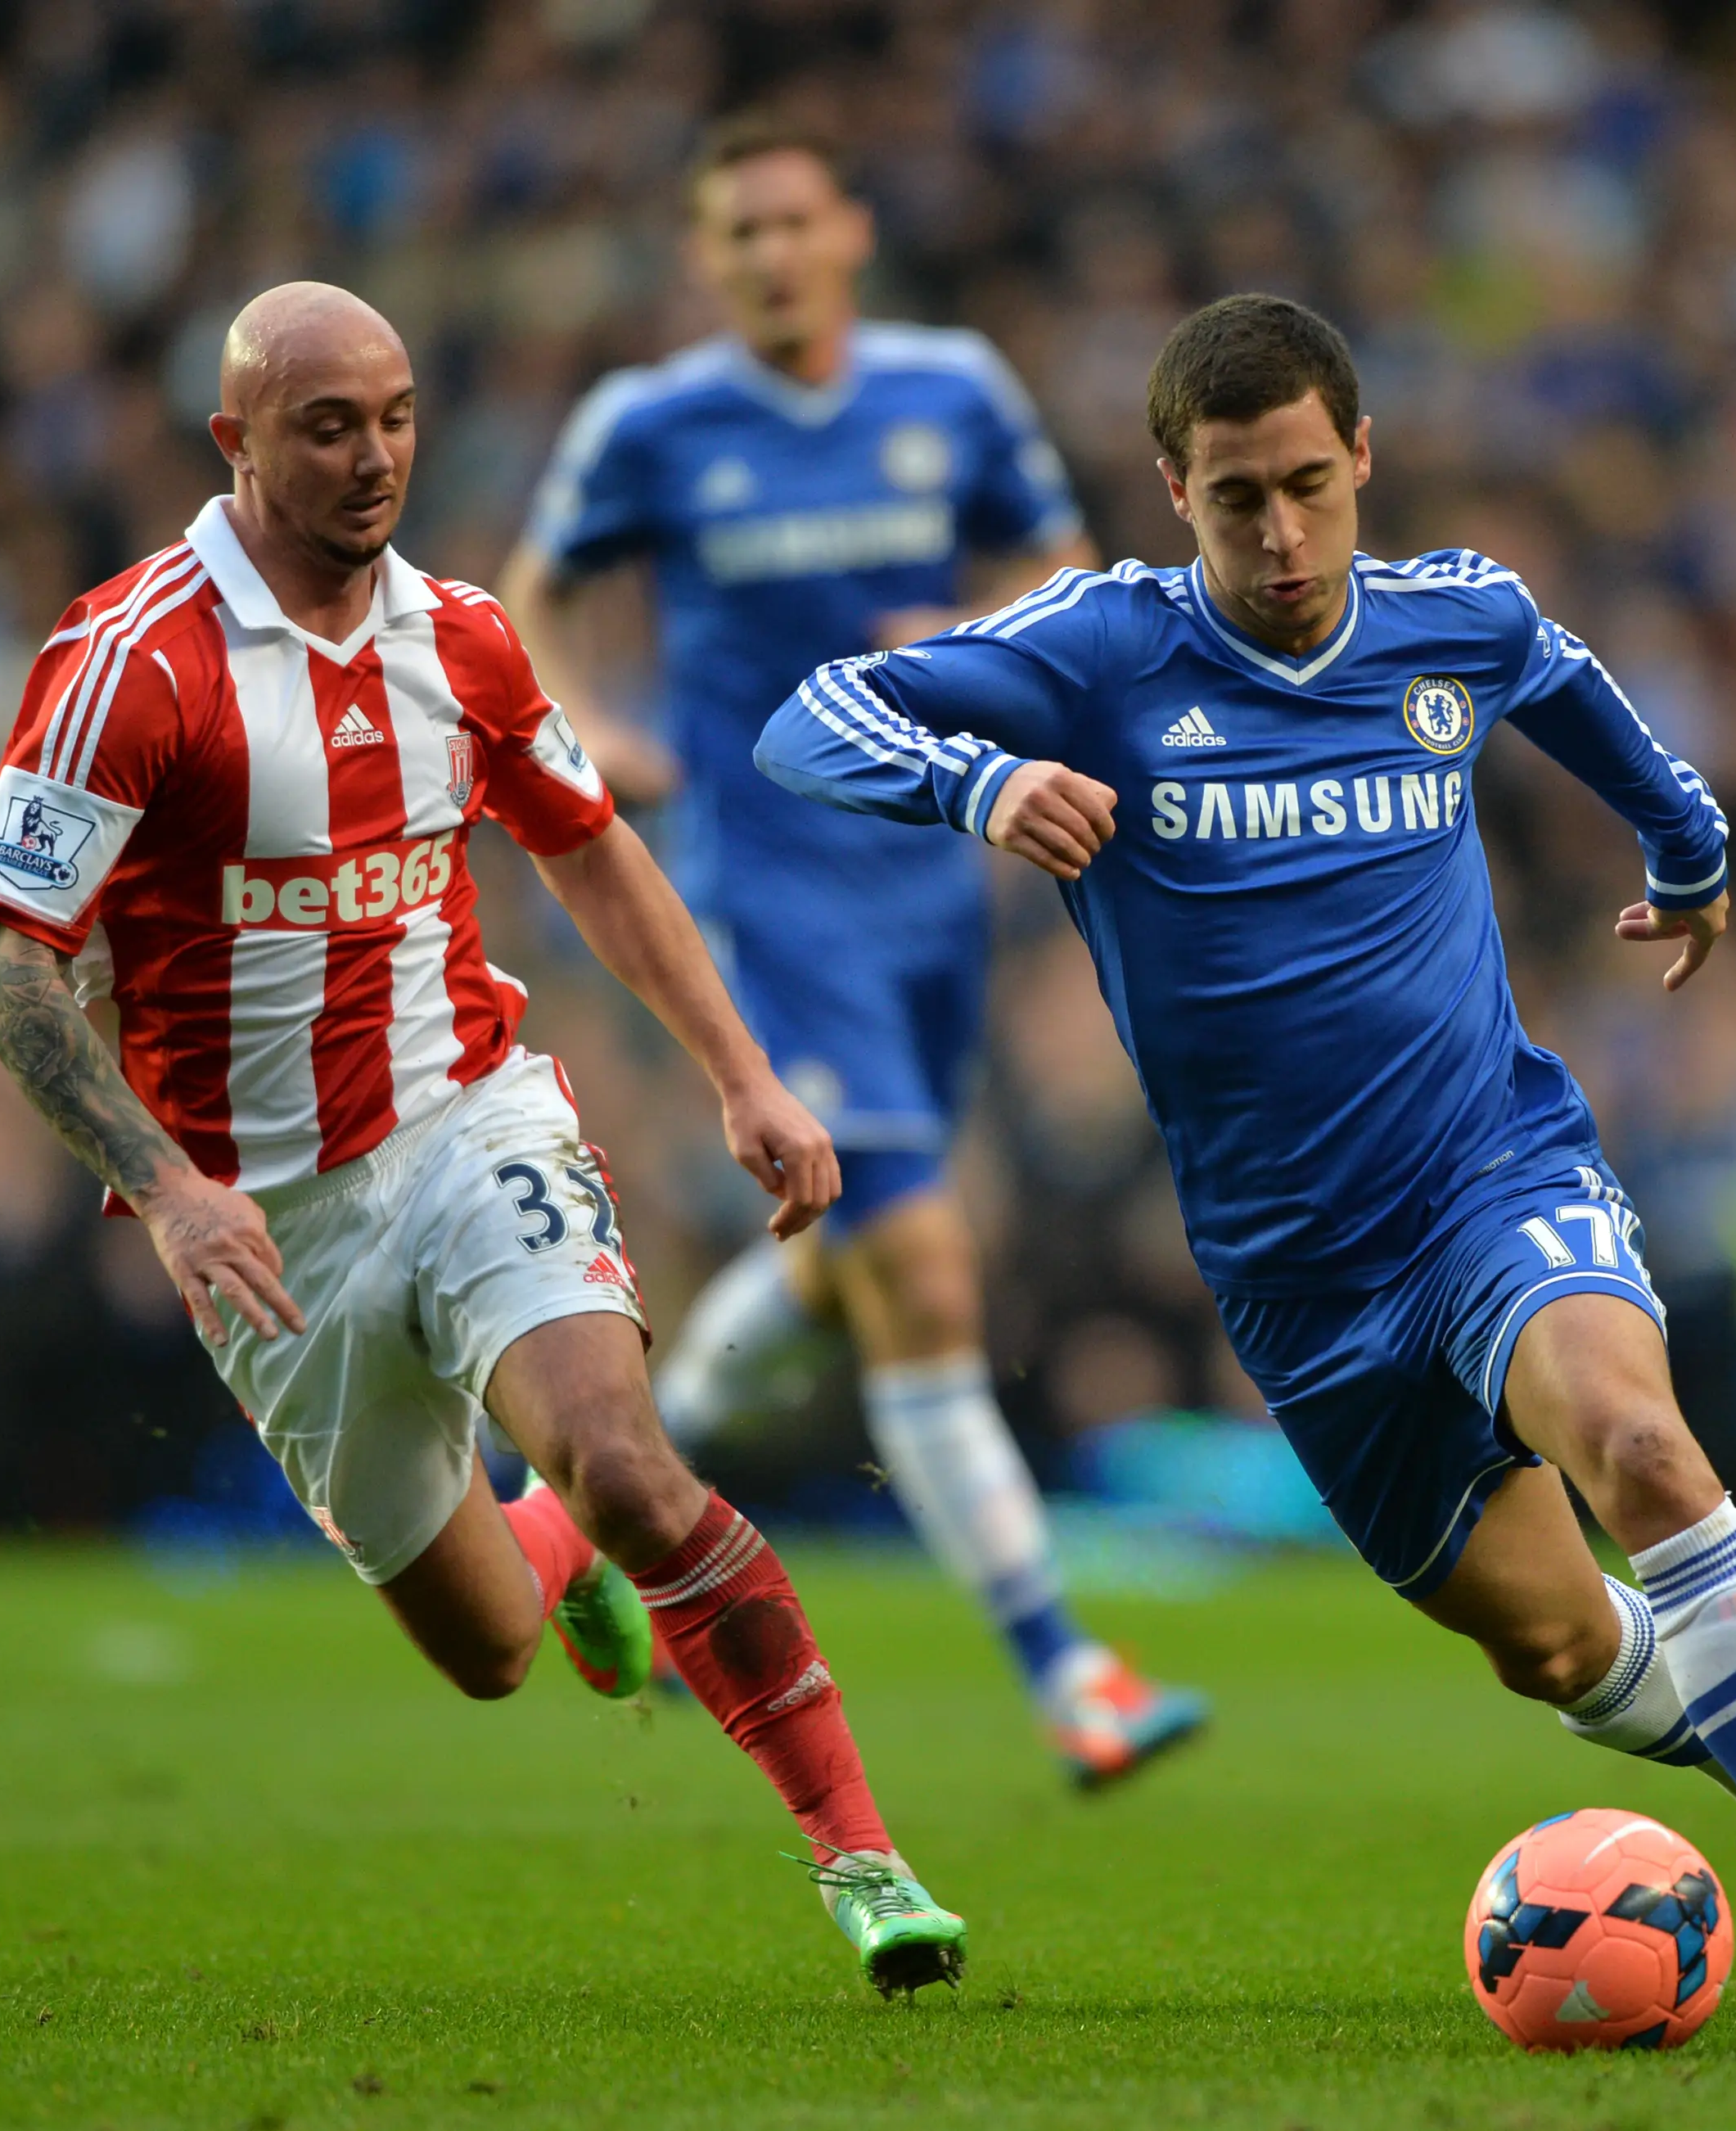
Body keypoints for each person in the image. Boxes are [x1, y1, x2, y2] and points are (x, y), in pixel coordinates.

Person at [755, 294, 1736, 2038]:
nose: (1278, 537)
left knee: (1641, 1438)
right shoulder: (1102, 653)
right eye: (1231, 501)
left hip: (1488, 1171)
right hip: (1298, 1277)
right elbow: (805, 717)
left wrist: (1691, 846)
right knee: (1562, 1649)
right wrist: (976, 786)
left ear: (1362, 454)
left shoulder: (1453, 618)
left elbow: (1573, 690)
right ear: (1169, 491)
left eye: (1304, 485)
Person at [0, 282, 964, 1996]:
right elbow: (8, 959)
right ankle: (550, 1551)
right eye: (329, 425)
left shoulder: (469, 637)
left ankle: (862, 1858)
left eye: (398, 416)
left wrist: (743, 1073)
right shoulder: (131, 661)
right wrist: (167, 1181)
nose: (375, 457)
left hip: (466, 1110)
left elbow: (590, 850)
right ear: (237, 440)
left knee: (631, 1461)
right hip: (271, 1227)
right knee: (492, 1650)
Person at [503, 111, 1206, 1787]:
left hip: (934, 876)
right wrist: (588, 718)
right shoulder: (654, 421)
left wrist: (975, 633)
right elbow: (530, 589)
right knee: (922, 1257)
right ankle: (1068, 1666)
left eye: (788, 223)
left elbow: (1063, 565)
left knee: (852, 1266)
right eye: (732, 232)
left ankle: (575, 1513)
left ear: (851, 233)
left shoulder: (949, 389)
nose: (764, 255)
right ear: (706, 259)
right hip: (762, 885)